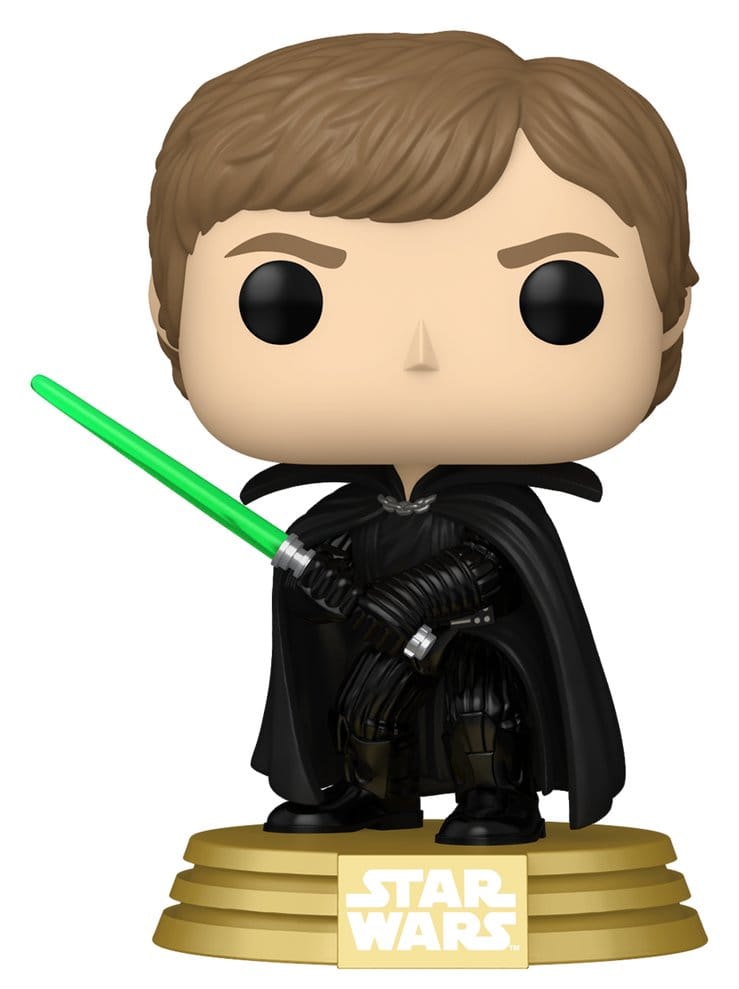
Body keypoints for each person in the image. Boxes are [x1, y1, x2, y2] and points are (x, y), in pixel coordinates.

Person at [147, 31, 696, 845]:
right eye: (285, 298)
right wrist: (320, 580)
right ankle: (372, 793)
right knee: (363, 705)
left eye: (555, 297)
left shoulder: (500, 511)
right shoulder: (337, 516)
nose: (419, 354)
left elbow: (490, 565)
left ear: (667, 316)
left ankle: (495, 798)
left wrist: (416, 594)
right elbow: (319, 592)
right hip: (383, 636)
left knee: (480, 703)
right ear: (170, 317)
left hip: (476, 635)